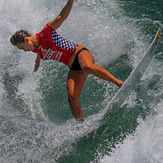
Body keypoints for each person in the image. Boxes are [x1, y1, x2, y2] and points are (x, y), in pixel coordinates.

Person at [10, 0, 124, 122]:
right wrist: (37, 62)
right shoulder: (34, 49)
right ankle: (83, 126)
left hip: (80, 53)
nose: (24, 51)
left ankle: (119, 83)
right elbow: (39, 52)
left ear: (26, 40)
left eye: (22, 48)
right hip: (73, 68)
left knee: (87, 66)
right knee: (71, 98)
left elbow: (62, 16)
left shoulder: (45, 33)